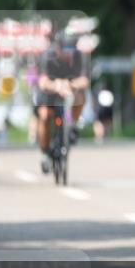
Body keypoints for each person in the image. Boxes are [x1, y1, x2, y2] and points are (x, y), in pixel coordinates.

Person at [36, 32, 89, 174]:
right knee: (45, 116)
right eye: (65, 50)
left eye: (71, 50)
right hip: (50, 88)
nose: (69, 54)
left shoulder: (79, 56)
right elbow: (42, 81)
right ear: (58, 48)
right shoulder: (48, 56)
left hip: (70, 87)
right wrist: (56, 86)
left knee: (81, 96)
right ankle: (45, 152)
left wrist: (71, 85)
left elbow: (84, 80)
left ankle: (72, 125)